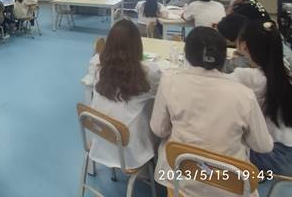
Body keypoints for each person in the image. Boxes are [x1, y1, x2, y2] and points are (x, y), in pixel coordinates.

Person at [150, 27, 273, 197]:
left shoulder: (169, 82)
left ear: (186, 55)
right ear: (224, 58)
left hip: (180, 181)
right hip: (228, 186)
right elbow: (263, 145)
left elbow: (159, 130)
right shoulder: (244, 95)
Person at [90, 20, 162, 170]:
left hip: (101, 140)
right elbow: (160, 92)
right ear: (137, 45)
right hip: (131, 152)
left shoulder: (97, 65)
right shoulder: (149, 72)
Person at [231, 20, 292, 175]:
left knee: (221, 145)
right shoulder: (284, 70)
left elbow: (214, 83)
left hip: (275, 157)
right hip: (287, 149)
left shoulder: (247, 76)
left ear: (243, 46)